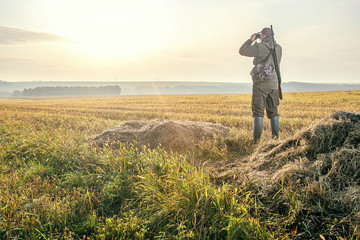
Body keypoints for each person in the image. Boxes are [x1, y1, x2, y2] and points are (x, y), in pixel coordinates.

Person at [239, 27, 282, 143]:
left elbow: (242, 51)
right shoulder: (279, 48)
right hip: (274, 84)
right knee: (273, 112)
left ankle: (256, 142)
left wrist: (251, 40)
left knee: (258, 112)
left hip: (260, 85)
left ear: (263, 35)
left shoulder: (261, 47)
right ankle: (275, 139)